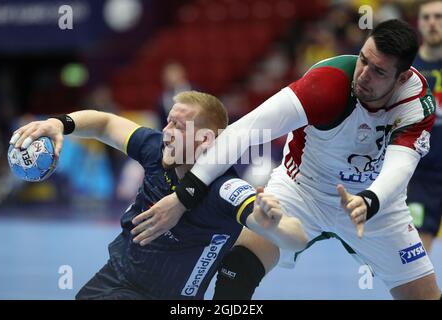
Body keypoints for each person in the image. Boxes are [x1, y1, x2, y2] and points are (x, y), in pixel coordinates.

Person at [131, 20, 442, 300]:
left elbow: (401, 165)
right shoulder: (329, 83)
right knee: (238, 265)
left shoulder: (416, 103)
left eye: (379, 71)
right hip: (300, 188)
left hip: (375, 202)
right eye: (363, 59)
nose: (363, 75)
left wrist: (371, 200)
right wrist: (185, 196)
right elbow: (245, 131)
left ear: (401, 79)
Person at [9, 91, 307, 300]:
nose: (166, 131)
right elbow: (105, 123)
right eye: (168, 121)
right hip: (114, 279)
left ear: (206, 140)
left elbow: (295, 239)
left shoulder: (224, 189)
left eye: (178, 126)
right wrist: (60, 123)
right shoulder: (156, 150)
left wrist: (274, 219)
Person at [407, 0, 442, 253]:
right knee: (418, 242)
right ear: (418, 23)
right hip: (420, 172)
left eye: (439, 17)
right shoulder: (406, 68)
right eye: (427, 17)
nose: (432, 22)